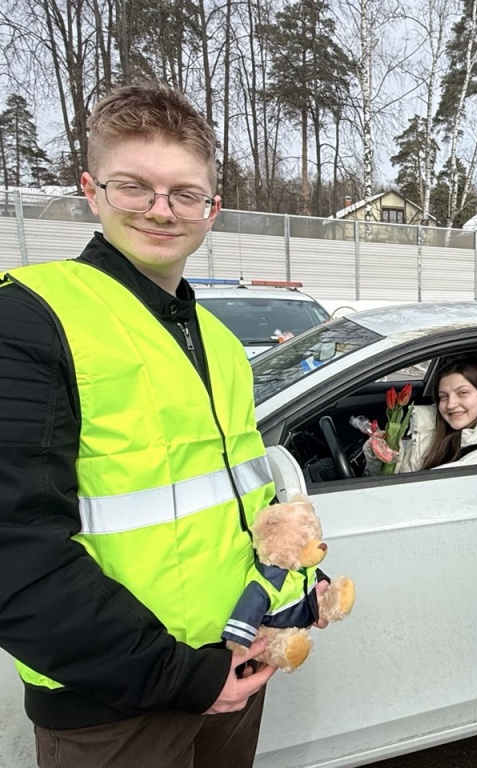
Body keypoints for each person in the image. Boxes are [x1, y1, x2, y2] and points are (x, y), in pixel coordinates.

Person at [0, 83, 286, 768]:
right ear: (91, 190)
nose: (161, 210)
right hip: (116, 705)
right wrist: (183, 676)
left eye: (185, 193)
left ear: (212, 209)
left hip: (231, 664)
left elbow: (242, 505)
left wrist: (296, 587)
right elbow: (14, 548)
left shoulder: (218, 341)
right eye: (134, 186)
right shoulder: (31, 317)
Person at [365, 356, 477, 473]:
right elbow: (404, 469)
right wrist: (384, 453)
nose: (451, 404)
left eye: (463, 393)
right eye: (443, 396)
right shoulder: (438, 433)